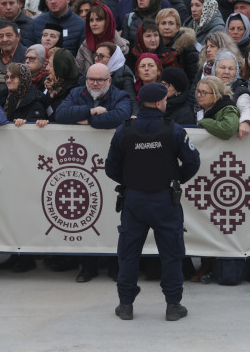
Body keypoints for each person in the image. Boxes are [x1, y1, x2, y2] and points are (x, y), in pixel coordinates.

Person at [105, 81, 199, 321]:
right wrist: (176, 179)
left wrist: (130, 181)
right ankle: (173, 305)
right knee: (171, 254)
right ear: (159, 103)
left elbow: (110, 168)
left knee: (128, 253)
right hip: (165, 200)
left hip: (134, 200)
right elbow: (192, 162)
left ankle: (125, 305)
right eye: (165, 100)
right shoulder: (174, 129)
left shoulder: (124, 130)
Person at [56, 62, 131, 128]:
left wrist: (90, 120)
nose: (95, 83)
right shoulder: (75, 93)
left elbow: (123, 117)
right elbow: (60, 113)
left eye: (100, 80)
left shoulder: (120, 96)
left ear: (109, 81)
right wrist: (90, 111)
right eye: (91, 79)